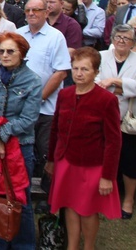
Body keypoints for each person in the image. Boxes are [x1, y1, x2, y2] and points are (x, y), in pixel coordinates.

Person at [45, 47, 121, 250]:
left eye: (85, 69)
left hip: (92, 164)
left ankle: (88, 246)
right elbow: (55, 130)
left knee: (87, 209)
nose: (79, 73)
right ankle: (72, 246)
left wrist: (108, 176)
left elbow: (114, 141)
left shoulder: (107, 100)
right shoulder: (64, 94)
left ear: (96, 72)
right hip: (65, 161)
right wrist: (51, 160)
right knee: (69, 205)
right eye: (75, 68)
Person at [0, 32, 42, 250]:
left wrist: (1, 137)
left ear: (22, 53)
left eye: (10, 51)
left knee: (19, 199)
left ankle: (24, 245)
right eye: (2, 51)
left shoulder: (33, 80)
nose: (4, 55)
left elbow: (28, 119)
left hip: (21, 147)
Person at [96, 24, 136, 220]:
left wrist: (113, 82)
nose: (121, 41)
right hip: (101, 116)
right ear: (112, 38)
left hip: (129, 118)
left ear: (133, 42)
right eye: (118, 37)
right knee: (101, 156)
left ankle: (128, 200)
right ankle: (102, 195)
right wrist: (122, 87)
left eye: (126, 38)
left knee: (130, 159)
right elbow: (93, 82)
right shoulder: (101, 56)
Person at [17, 0, 71, 180]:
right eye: (28, 10)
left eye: (36, 10)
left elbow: (61, 72)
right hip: (20, 107)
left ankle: (46, 195)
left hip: (45, 107)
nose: (31, 14)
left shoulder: (56, 37)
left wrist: (39, 97)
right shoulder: (17, 35)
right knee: (22, 152)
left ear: (46, 12)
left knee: (46, 151)